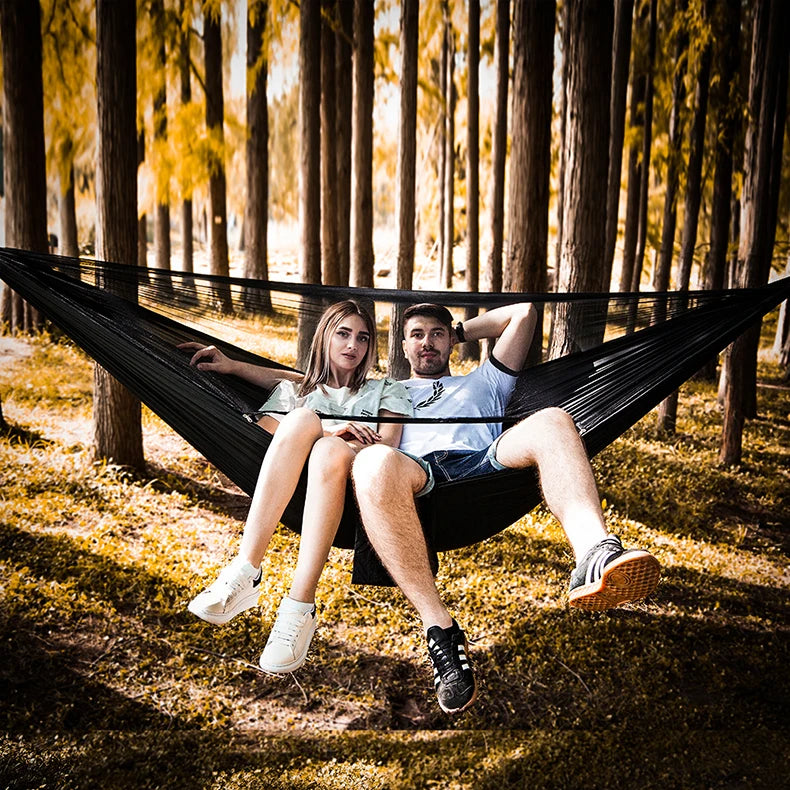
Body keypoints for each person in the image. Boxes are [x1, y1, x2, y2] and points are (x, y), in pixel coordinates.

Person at [351, 303, 661, 714]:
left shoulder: (486, 380)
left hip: (483, 467)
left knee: (552, 419)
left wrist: (458, 331)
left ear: (452, 340)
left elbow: (524, 314)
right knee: (371, 462)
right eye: (418, 335)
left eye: (437, 334)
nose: (427, 342)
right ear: (403, 346)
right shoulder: (387, 393)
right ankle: (440, 630)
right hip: (418, 475)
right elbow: (320, 395)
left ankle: (594, 552)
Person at [181, 300, 412, 674]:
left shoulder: (384, 389)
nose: (353, 345)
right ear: (324, 337)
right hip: (294, 485)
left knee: (327, 448)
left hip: (352, 486)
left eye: (363, 338)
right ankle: (245, 570)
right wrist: (328, 427)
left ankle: (298, 606)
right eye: (343, 333)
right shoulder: (296, 391)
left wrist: (336, 439)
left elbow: (386, 447)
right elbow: (267, 436)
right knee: (305, 420)